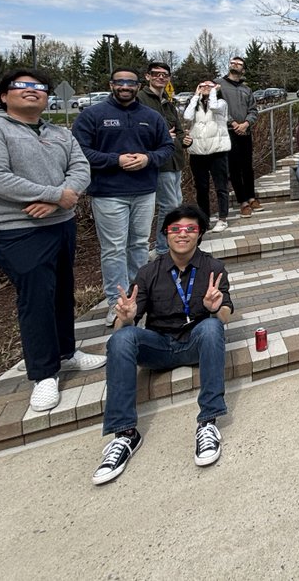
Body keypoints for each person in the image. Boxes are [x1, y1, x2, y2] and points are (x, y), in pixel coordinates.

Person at [0, 68, 102, 413]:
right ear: (3, 95)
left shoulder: (58, 132)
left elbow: (80, 168)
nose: (31, 91)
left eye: (38, 87)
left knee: (61, 292)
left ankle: (66, 353)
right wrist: (56, 194)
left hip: (60, 224)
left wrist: (60, 198)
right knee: (36, 297)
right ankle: (43, 373)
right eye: (21, 86)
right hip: (14, 229)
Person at [93, 205, 232, 485]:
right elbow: (127, 327)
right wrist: (126, 318)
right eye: (175, 229)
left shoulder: (213, 268)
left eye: (190, 229)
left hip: (195, 342)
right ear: (166, 235)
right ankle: (125, 434)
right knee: (121, 337)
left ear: (200, 234)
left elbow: (226, 314)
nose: (183, 234)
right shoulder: (148, 272)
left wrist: (215, 308)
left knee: (212, 326)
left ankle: (208, 422)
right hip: (158, 346)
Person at [73, 67, 174, 326]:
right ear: (111, 85)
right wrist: (115, 160)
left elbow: (166, 147)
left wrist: (148, 158)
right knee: (114, 249)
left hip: (144, 191)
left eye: (130, 82)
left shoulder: (150, 116)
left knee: (140, 245)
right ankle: (116, 303)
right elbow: (80, 151)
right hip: (109, 193)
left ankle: (140, 297)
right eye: (120, 82)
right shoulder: (92, 116)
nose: (125, 86)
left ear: (138, 85)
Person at [137, 61, 187, 258]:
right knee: (169, 205)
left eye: (164, 75)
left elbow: (179, 130)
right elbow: (137, 130)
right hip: (160, 162)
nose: (160, 77)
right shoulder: (140, 100)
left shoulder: (167, 100)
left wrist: (185, 140)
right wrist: (163, 136)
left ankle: (166, 244)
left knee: (176, 202)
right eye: (156, 74)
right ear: (147, 76)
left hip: (176, 160)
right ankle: (162, 248)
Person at [183, 80, 232, 232]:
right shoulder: (194, 103)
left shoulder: (221, 103)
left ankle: (223, 218)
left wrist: (212, 92)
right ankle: (204, 219)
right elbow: (187, 117)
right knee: (201, 188)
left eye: (209, 85)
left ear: (215, 88)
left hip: (217, 151)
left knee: (221, 186)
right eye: (202, 85)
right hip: (198, 152)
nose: (205, 87)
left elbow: (214, 107)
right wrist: (195, 96)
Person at [219, 56, 260, 216]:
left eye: (239, 64)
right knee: (234, 168)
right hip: (228, 132)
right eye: (233, 63)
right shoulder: (219, 85)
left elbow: (253, 110)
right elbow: (217, 108)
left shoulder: (246, 89)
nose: (235, 65)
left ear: (243, 69)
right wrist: (233, 123)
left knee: (247, 167)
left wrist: (246, 124)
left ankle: (251, 197)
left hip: (245, 132)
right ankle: (242, 201)